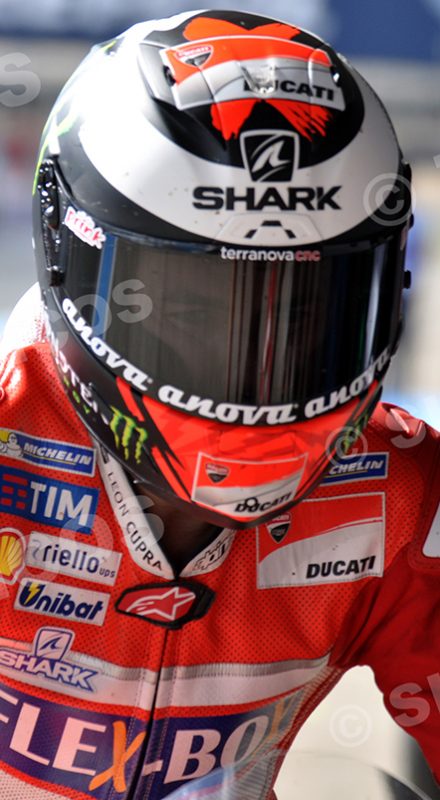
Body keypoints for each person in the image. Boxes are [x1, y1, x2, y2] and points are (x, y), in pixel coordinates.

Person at [0, 9, 438, 800]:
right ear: (73, 261)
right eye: (193, 311)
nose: (257, 366)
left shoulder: (404, 492)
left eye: (304, 314)